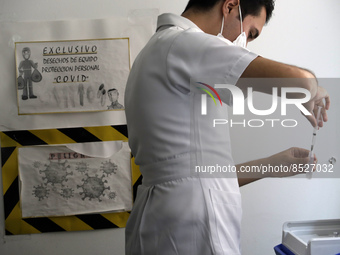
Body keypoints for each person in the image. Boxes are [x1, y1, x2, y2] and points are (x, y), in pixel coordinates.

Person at [124, 0, 330, 254]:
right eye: (250, 33)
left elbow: (194, 174)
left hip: (164, 217)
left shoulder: (156, 51)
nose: (245, 43)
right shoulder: (185, 44)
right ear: (230, 6)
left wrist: (272, 164)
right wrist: (314, 88)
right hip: (190, 225)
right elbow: (301, 82)